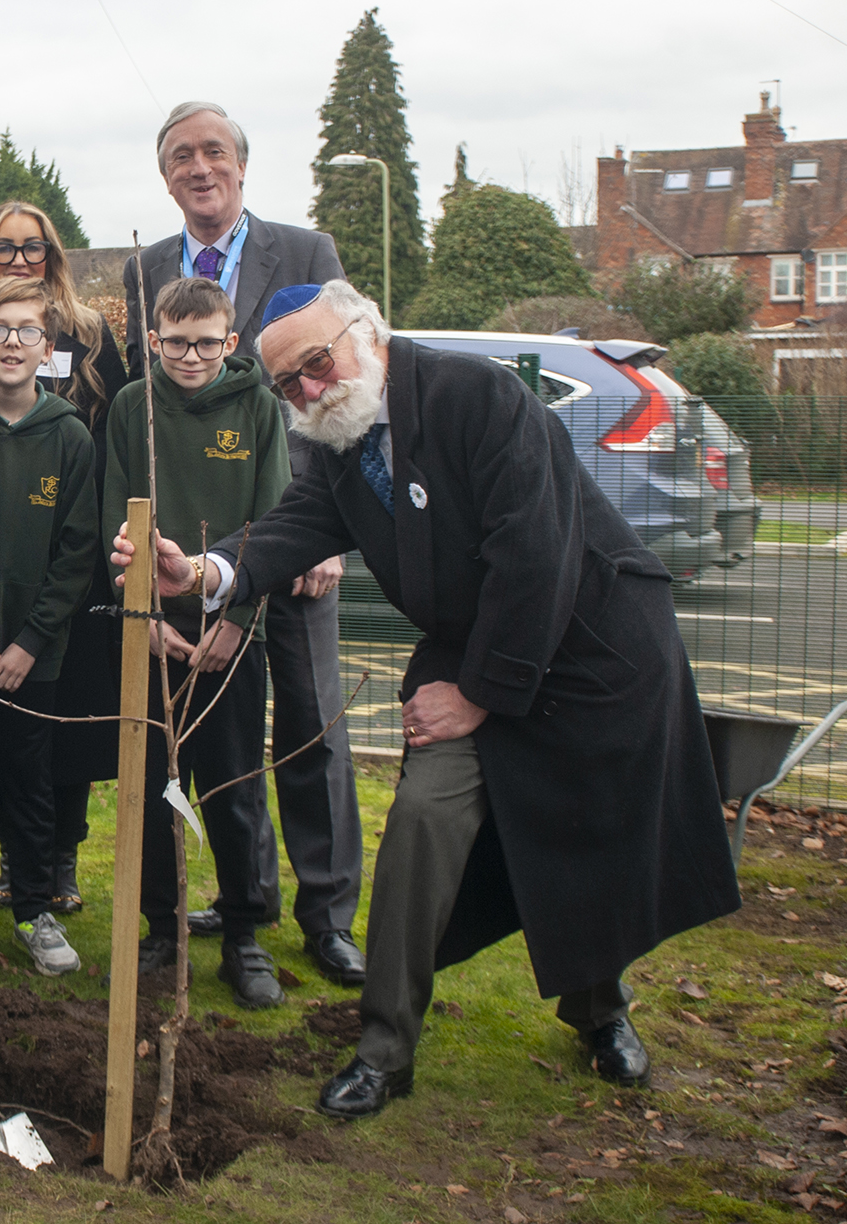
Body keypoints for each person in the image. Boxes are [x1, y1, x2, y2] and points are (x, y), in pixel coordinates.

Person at [111, 279, 740, 1117]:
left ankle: (601, 1011)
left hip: (589, 655)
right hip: (478, 661)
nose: (307, 389)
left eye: (317, 362)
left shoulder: (478, 397)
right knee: (420, 823)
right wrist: (203, 571)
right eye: (288, 381)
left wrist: (477, 694)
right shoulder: (341, 443)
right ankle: (384, 1050)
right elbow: (294, 524)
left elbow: (534, 555)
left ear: (369, 332)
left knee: (589, 839)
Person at [122, 100, 366, 987]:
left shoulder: (305, 254)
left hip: (294, 531)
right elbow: (147, 410)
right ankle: (211, 904)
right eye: (181, 155)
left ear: (241, 165)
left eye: (214, 151)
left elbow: (343, 387)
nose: (200, 167)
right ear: (166, 175)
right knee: (198, 744)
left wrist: (326, 528)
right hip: (187, 553)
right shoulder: (147, 267)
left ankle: (327, 915)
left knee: (308, 728)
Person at [103, 277, 291, 1009]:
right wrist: (141, 616)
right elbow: (114, 515)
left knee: (233, 783)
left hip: (229, 625)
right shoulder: (130, 408)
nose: (189, 355)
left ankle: (244, 931)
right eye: (174, 342)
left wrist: (239, 622)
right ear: (153, 340)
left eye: (205, 343)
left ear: (230, 342)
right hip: (150, 630)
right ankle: (161, 927)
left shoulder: (259, 408)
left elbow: (276, 524)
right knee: (150, 786)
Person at [0, 201, 128, 916]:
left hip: (58, 564)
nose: (20, 257)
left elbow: (111, 432)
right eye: (4, 246)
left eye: (34, 246)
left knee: (52, 743)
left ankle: (50, 869)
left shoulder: (87, 335)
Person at [0, 279, 98, 977]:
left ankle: (35, 907)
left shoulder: (69, 436)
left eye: (28, 331)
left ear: (49, 347)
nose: (13, 342)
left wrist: (29, 642)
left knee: (27, 779)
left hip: (34, 656)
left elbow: (77, 552)